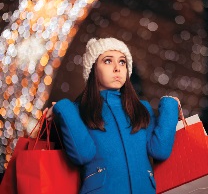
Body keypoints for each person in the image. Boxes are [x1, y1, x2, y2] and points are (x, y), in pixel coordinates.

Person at [43, 37, 179, 194]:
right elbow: (82, 155)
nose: (117, 68)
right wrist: (64, 108)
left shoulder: (141, 109)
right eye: (108, 61)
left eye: (122, 62)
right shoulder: (78, 110)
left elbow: (160, 150)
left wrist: (170, 105)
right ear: (93, 69)